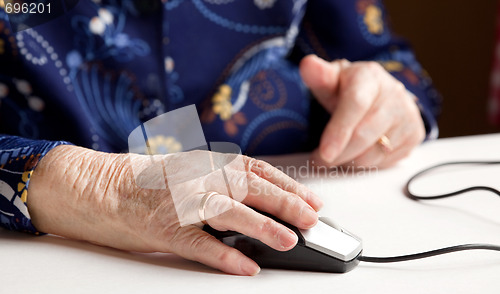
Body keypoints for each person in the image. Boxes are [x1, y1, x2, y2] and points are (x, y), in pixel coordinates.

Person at [0, 0, 440, 275]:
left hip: (321, 188)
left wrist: (387, 105)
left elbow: (385, 58)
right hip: (55, 265)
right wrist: (101, 186)